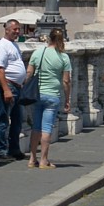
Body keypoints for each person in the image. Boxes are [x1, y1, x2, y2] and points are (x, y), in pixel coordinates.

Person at [26, 28, 72, 168]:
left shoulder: (38, 52)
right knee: (46, 128)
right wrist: (67, 99)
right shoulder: (63, 57)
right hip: (52, 95)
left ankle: (32, 158)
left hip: (37, 94)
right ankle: (44, 160)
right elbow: (66, 81)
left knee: (36, 127)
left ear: (48, 38)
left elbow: (29, 73)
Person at [0, 20, 30, 161]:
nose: (17, 32)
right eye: (14, 29)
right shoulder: (2, 46)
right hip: (9, 86)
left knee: (17, 120)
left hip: (17, 87)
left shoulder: (14, 45)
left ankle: (14, 148)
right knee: (3, 119)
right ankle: (1, 151)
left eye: (18, 29)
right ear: (7, 30)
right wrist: (6, 89)